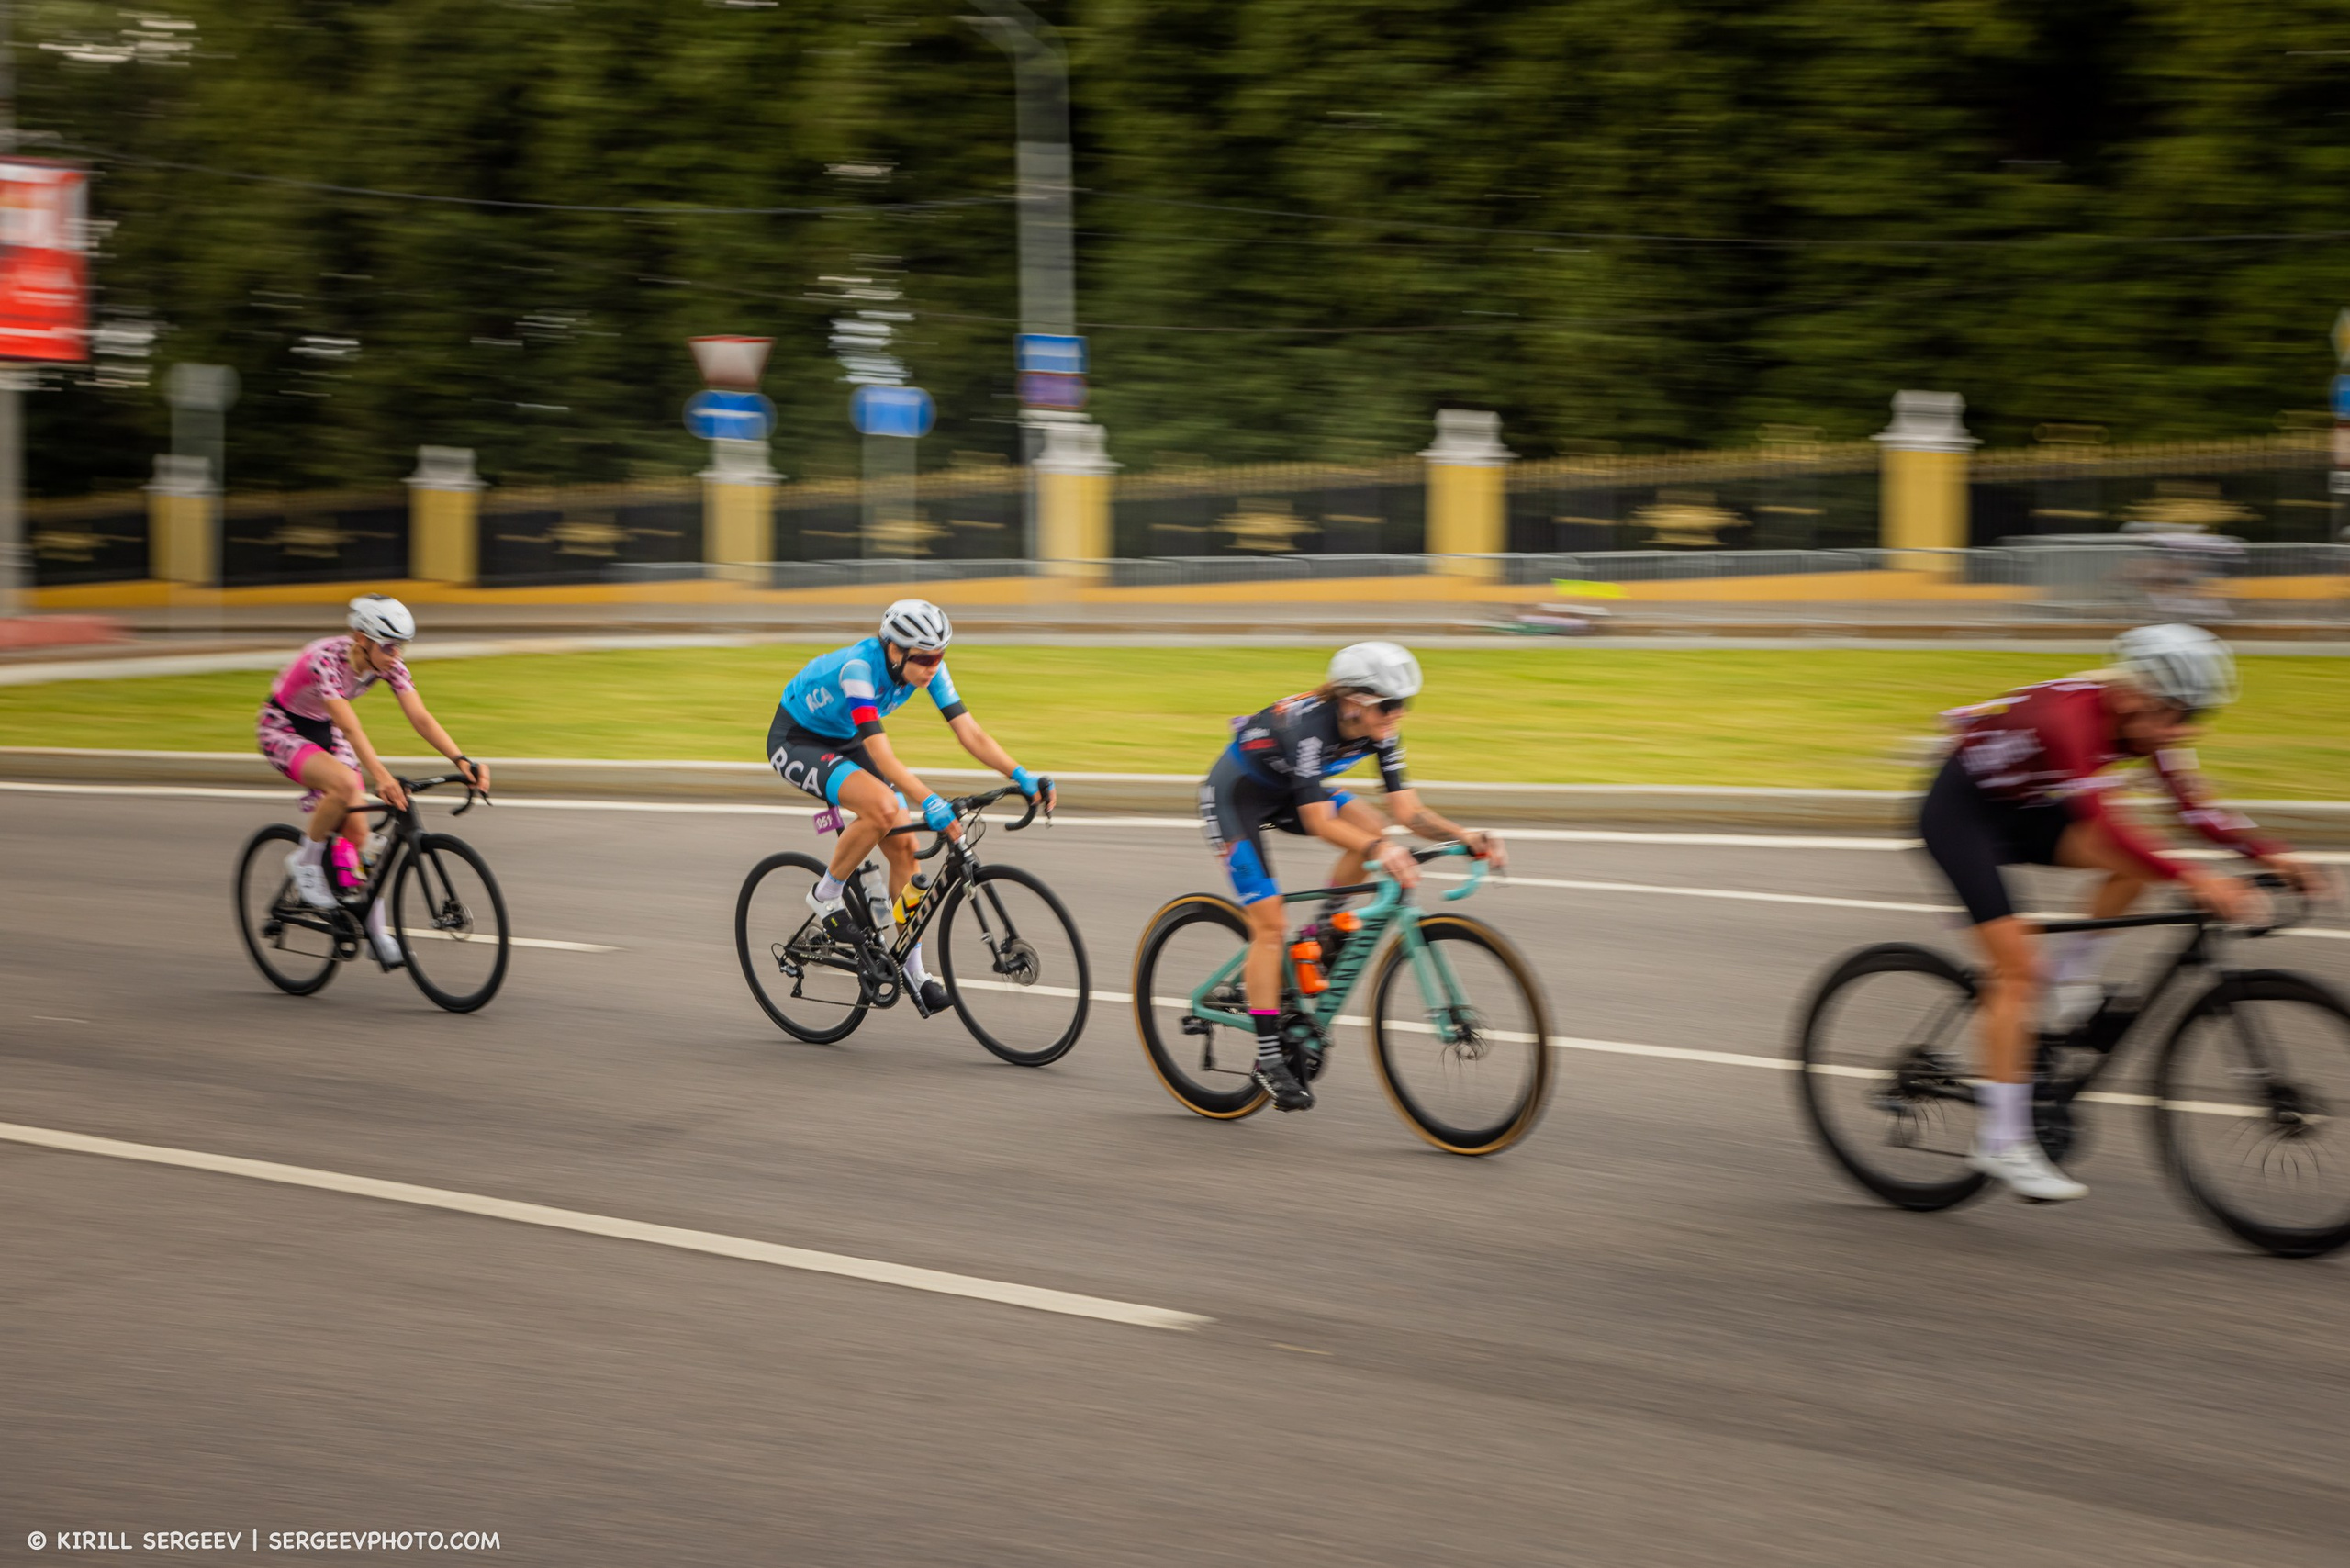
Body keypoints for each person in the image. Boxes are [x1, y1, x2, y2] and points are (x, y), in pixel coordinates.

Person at [1921, 623, 2323, 1203]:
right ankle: (2002, 1141)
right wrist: (2195, 877)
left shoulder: (2147, 722)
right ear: (2136, 695)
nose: (2183, 731)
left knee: (2136, 864)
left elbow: (2194, 810)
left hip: (2022, 806)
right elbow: (2102, 822)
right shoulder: (2072, 719)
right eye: (2178, 715)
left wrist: (2273, 853)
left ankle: (2070, 978)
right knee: (2017, 970)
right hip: (1961, 815)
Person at [1198, 641, 1505, 1113]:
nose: (1398, 715)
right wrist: (1380, 851)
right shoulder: (1309, 727)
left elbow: (1407, 810)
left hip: (1292, 794)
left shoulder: (1379, 729)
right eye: (1389, 705)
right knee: (1270, 925)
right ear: (1354, 701)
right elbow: (1320, 821)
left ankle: (1322, 928)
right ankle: (1267, 1060)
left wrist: (1463, 836)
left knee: (1374, 826)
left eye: (1405, 704)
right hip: (1236, 800)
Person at [767, 599, 1053, 1016]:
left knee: (904, 849)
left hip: (848, 739)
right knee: (883, 808)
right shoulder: (858, 670)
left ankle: (914, 971)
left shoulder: (928, 667)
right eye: (924, 657)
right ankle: (825, 894)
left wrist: (1021, 774)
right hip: (799, 740)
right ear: (894, 650)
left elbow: (968, 732)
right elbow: (883, 757)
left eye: (940, 655)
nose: (933, 665)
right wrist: (930, 799)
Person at [256, 594, 490, 964]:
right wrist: (380, 776)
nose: (396, 655)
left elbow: (421, 717)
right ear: (360, 638)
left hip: (324, 730)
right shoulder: (326, 658)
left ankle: (377, 934)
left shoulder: (389, 664)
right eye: (388, 646)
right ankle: (305, 861)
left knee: (360, 836)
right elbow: (350, 726)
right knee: (346, 785)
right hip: (283, 727)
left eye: (401, 647)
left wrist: (461, 760)